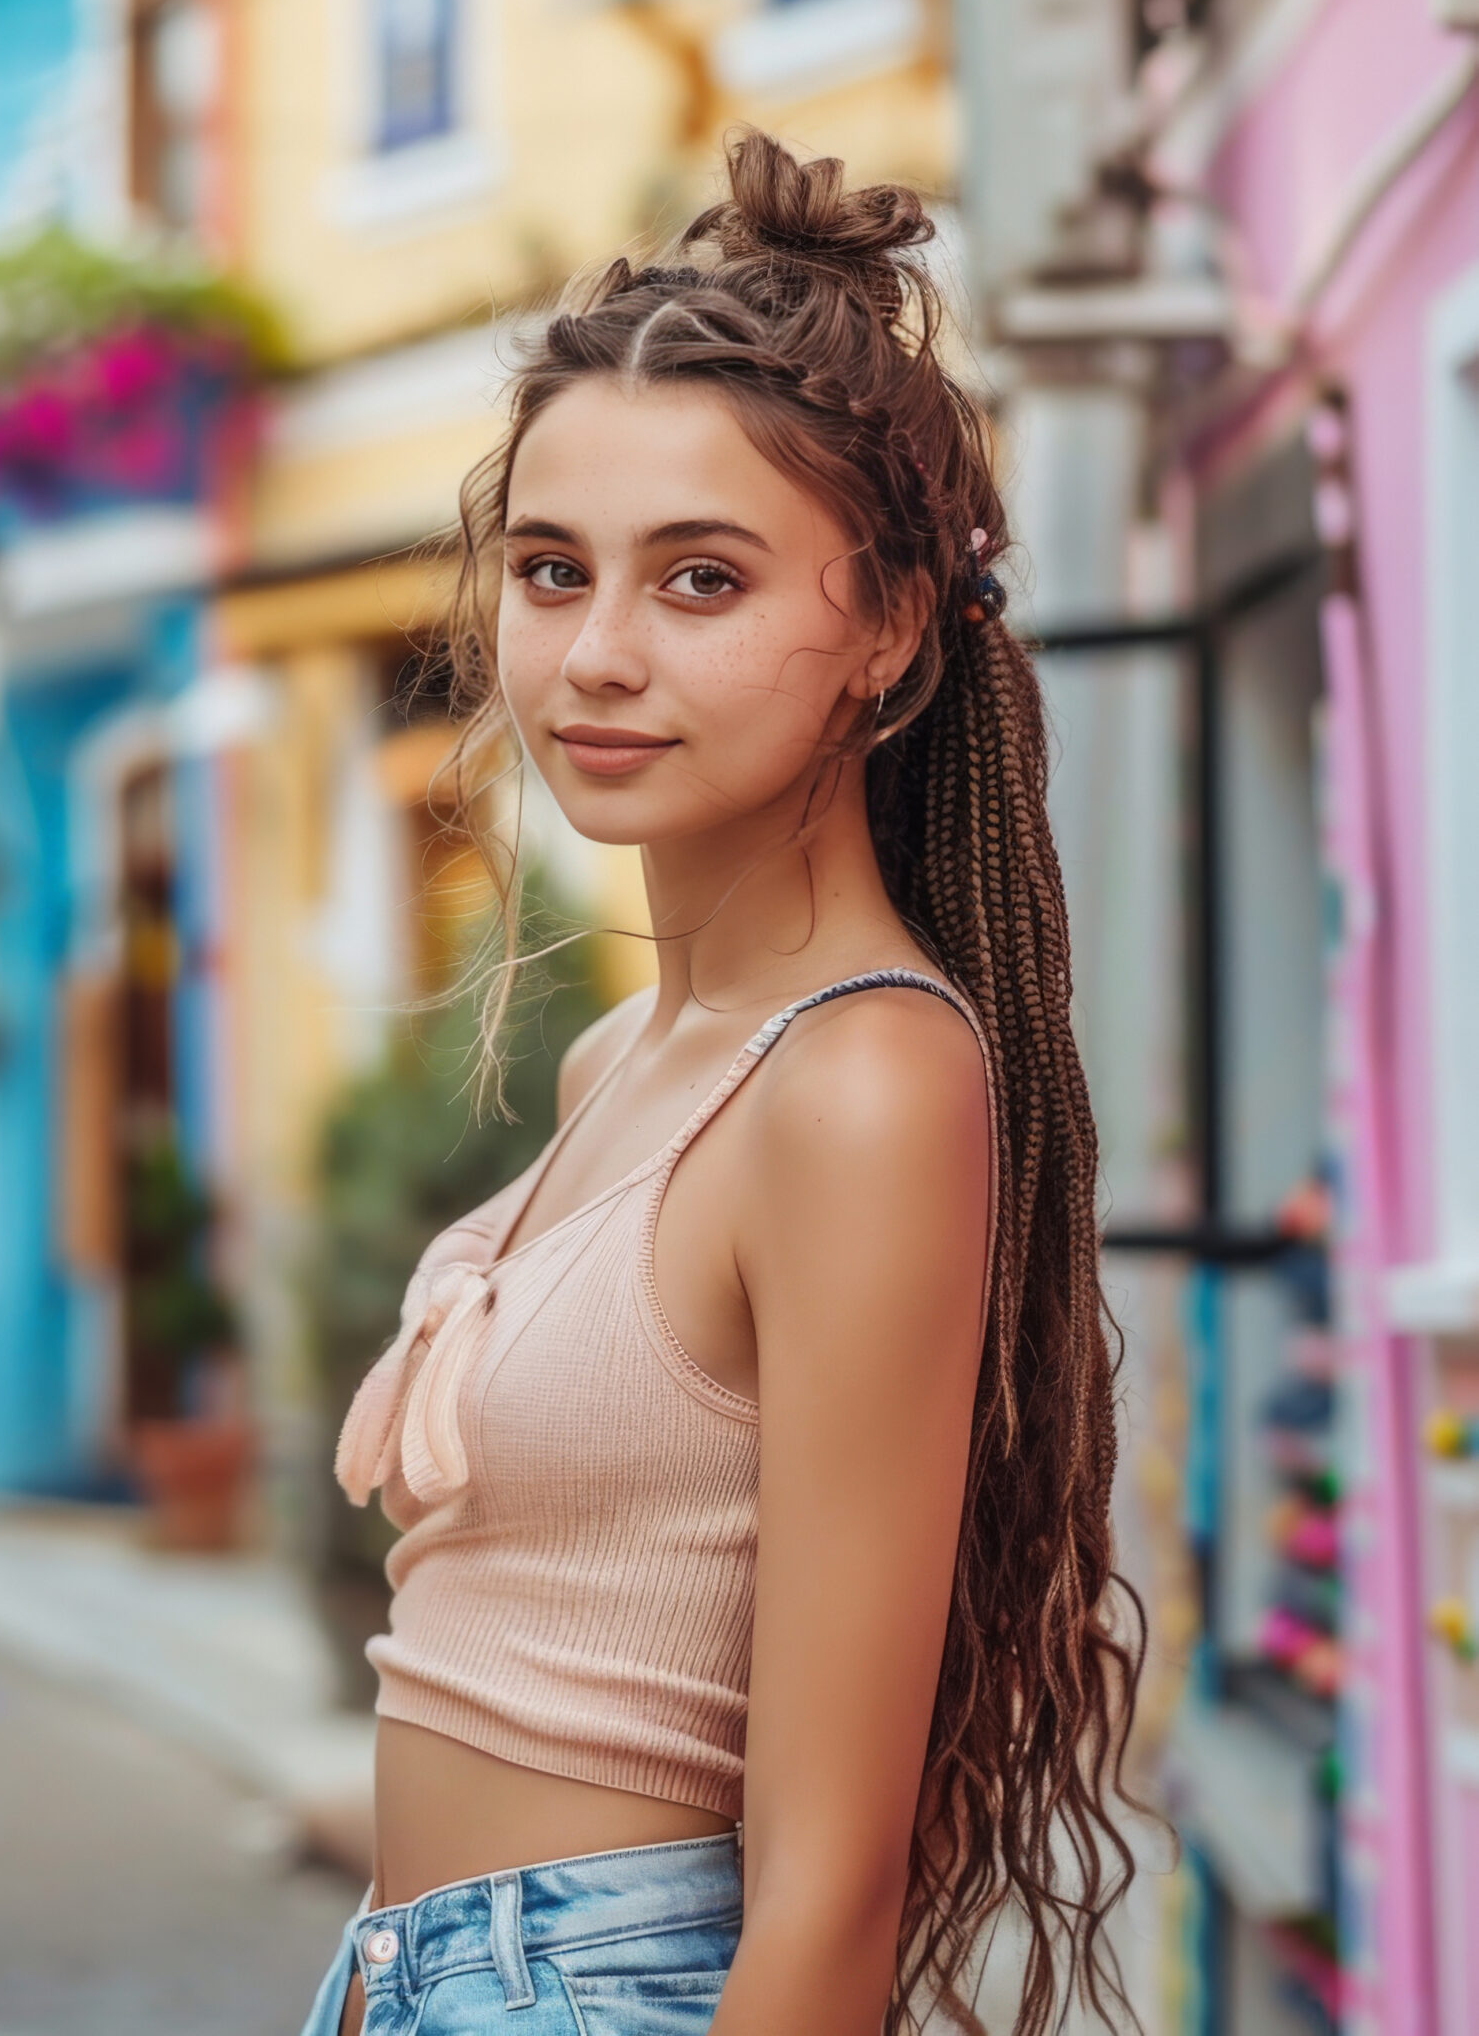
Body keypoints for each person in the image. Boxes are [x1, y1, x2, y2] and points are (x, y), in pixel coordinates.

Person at [302, 132, 1142, 2036]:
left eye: (700, 579)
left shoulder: (860, 1085)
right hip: (409, 1979)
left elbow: (831, 1888)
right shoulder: (634, 1051)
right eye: (549, 571)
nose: (595, 657)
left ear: (895, 628)